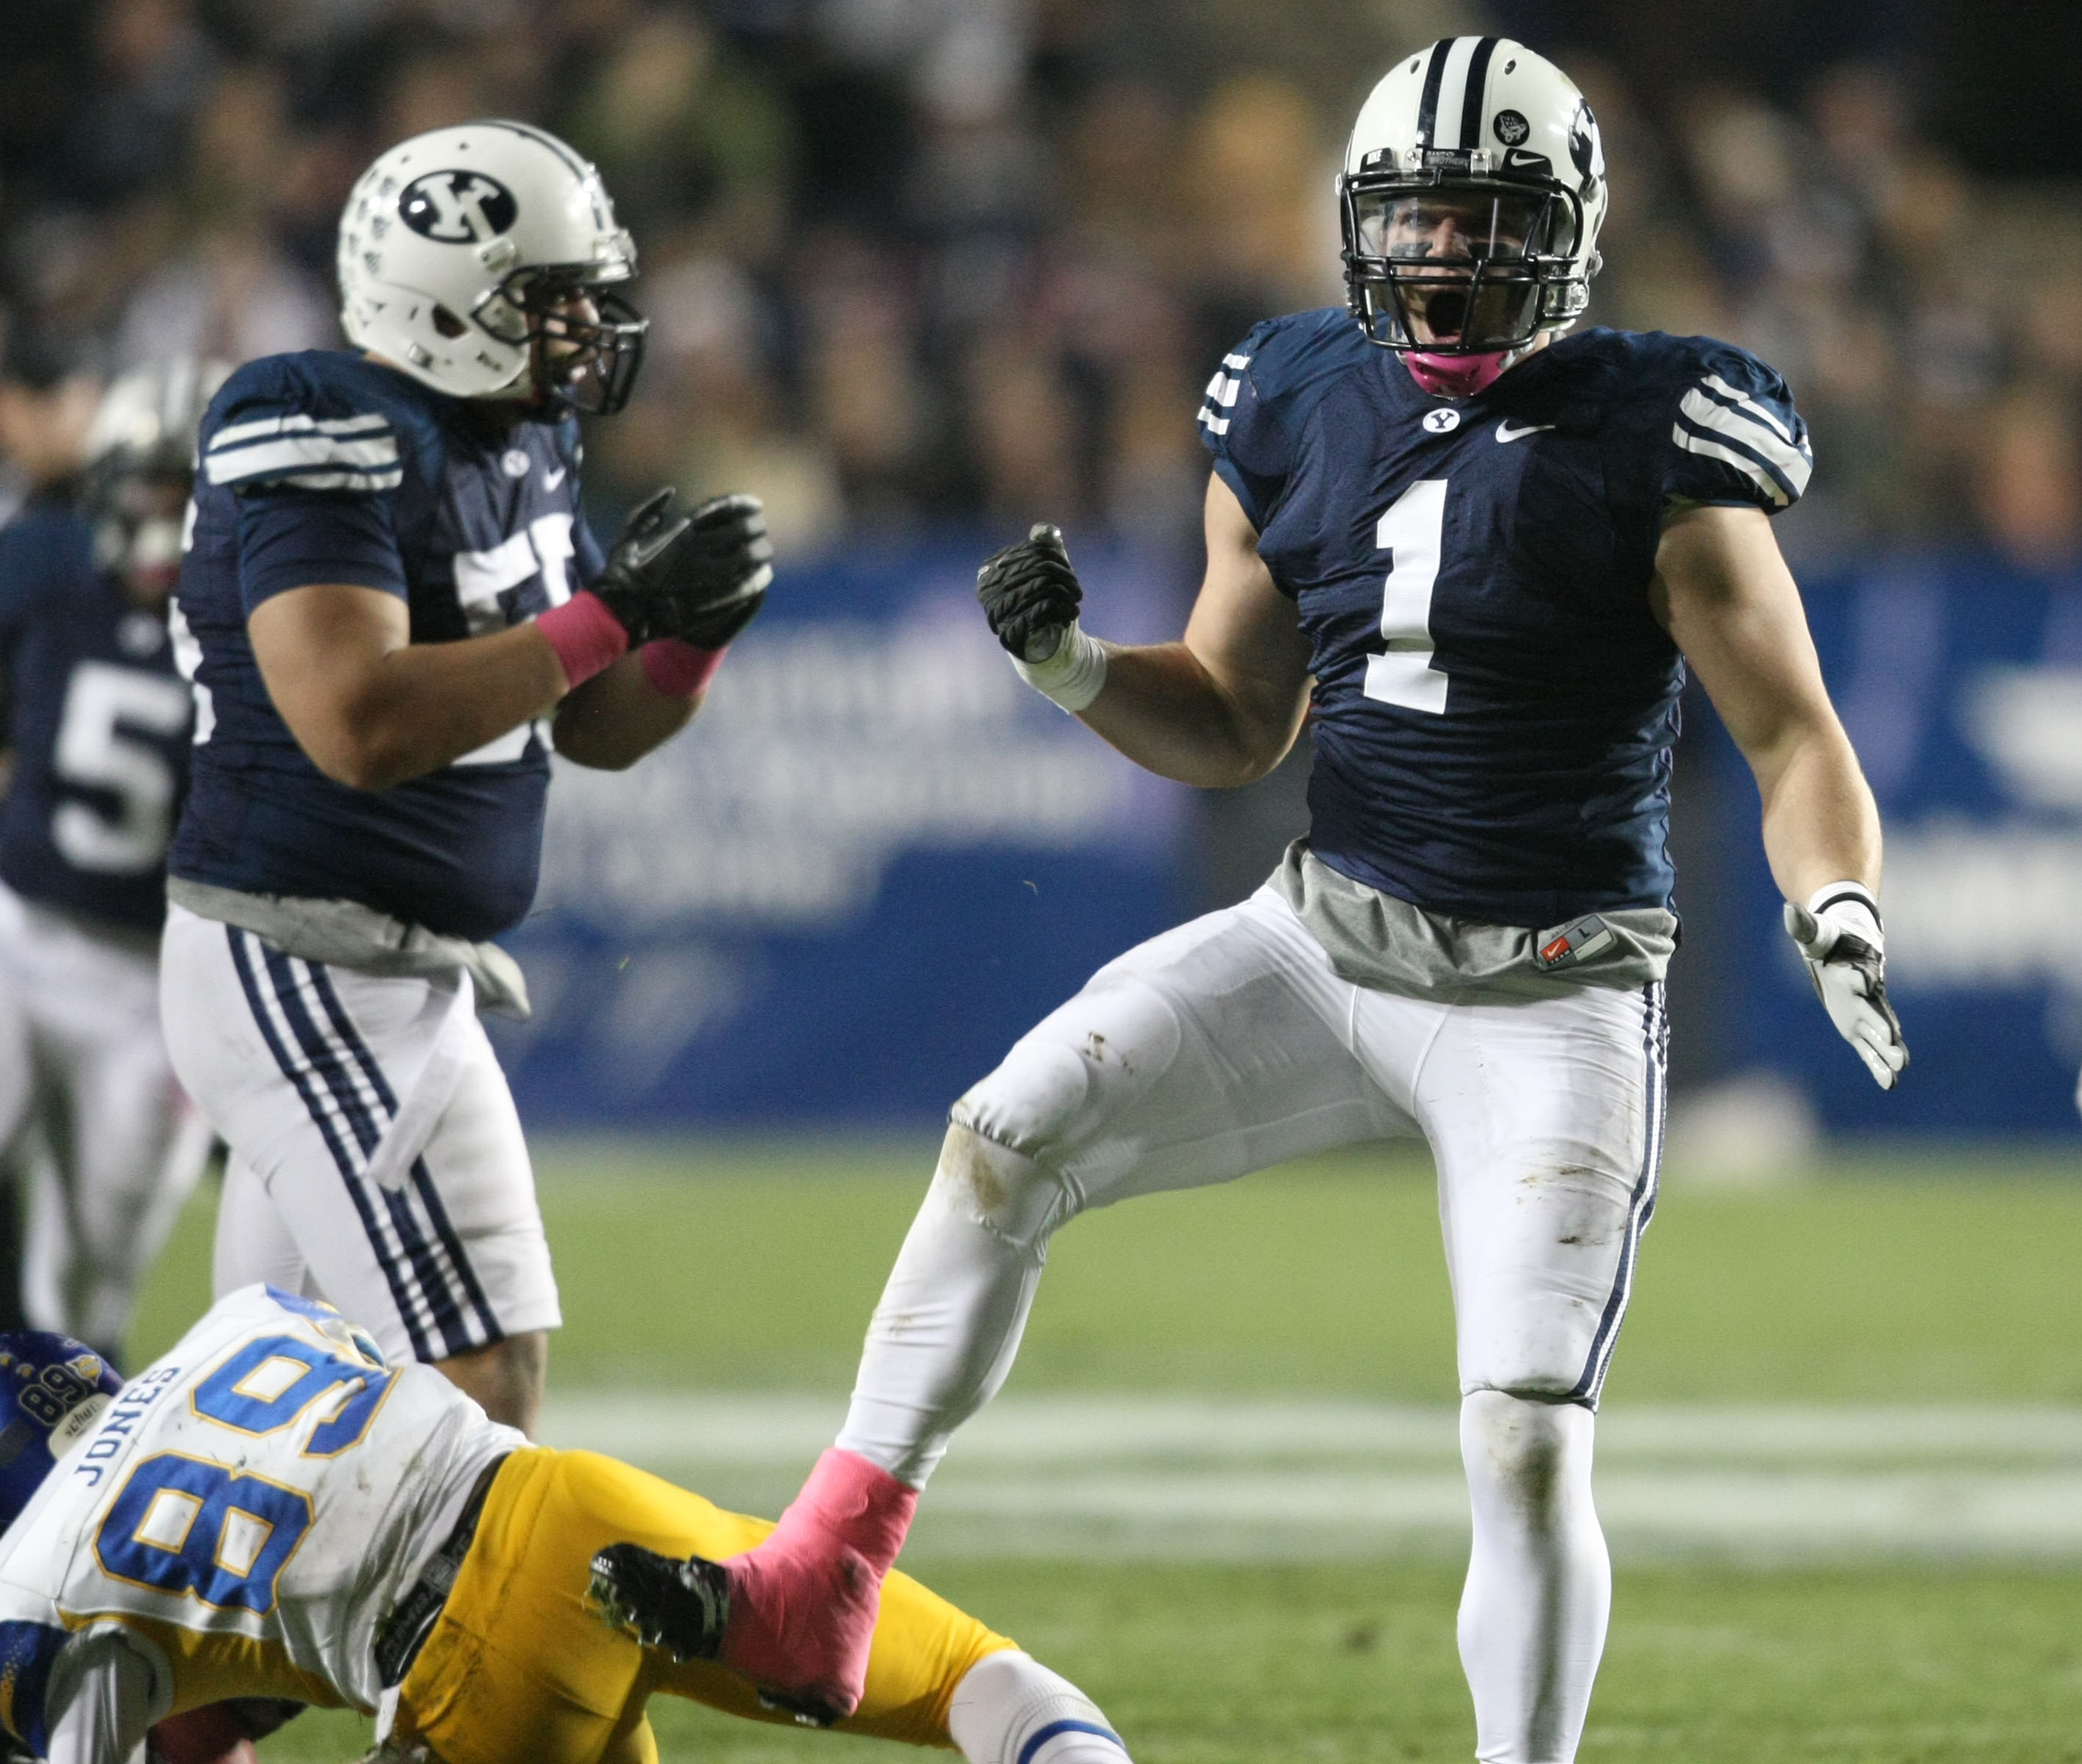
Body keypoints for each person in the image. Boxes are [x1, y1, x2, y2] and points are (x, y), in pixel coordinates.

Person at [705, 37, 1910, 1764]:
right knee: (1004, 1135)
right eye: (1414, 219)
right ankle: (822, 1570)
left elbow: (1791, 733)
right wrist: (1065, 668)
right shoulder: (1286, 392)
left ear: (1569, 231)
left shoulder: (1655, 424)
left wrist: (1837, 906)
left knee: (1524, 1434)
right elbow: (1227, 716)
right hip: (1323, 939)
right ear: (1356, 222)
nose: (1440, 257)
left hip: (1552, 991)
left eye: (1485, 221)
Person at [159, 121, 775, 1438]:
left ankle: (150, 1630)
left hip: (376, 966)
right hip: (309, 958)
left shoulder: (527, 444)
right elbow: (357, 723)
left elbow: (592, 726)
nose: (583, 331)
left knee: (268, 1422)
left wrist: (689, 637)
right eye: (548, 302)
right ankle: (437, 1648)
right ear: (438, 299)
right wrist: (615, 611)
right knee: (481, 1374)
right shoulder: (312, 415)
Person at [0, 1287, 1134, 1764]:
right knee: (985, 1683)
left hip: (472, 1677)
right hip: (578, 1507)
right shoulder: (240, 1318)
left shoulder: (33, 1586)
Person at [0, 361, 226, 1366]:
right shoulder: (44, 567)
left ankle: (57, 1472)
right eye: (152, 494)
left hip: (156, 982)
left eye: (192, 502)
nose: (164, 527)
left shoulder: (272, 628)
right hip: (18, 932)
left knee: (91, 1285)